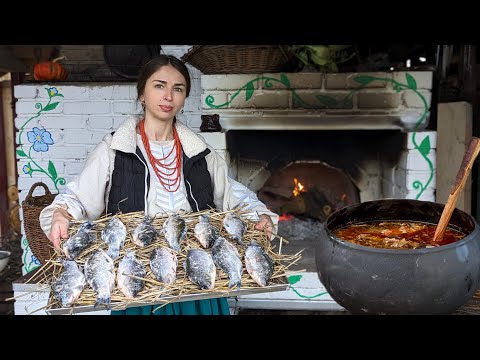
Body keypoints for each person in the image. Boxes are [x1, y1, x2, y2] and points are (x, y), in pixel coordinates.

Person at [39, 54, 278, 315]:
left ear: (185, 98)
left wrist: (261, 215)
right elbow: (79, 196)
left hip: (195, 276)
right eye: (159, 85)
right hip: (138, 280)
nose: (168, 96)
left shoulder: (199, 151)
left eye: (178, 89)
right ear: (142, 93)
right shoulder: (115, 149)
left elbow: (232, 193)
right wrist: (61, 213)